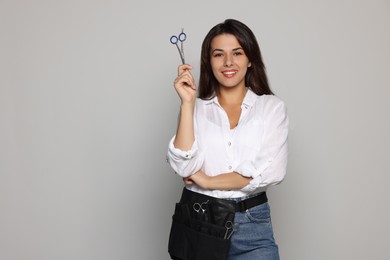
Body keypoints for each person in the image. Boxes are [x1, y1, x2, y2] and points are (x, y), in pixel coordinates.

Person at [166, 18, 288, 260]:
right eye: (219, 54)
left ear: (250, 59)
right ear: (208, 62)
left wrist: (208, 181)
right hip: (201, 222)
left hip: (254, 225)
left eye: (237, 53)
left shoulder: (271, 107)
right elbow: (184, 166)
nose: (228, 62)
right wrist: (188, 103)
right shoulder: (195, 109)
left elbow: (271, 172)